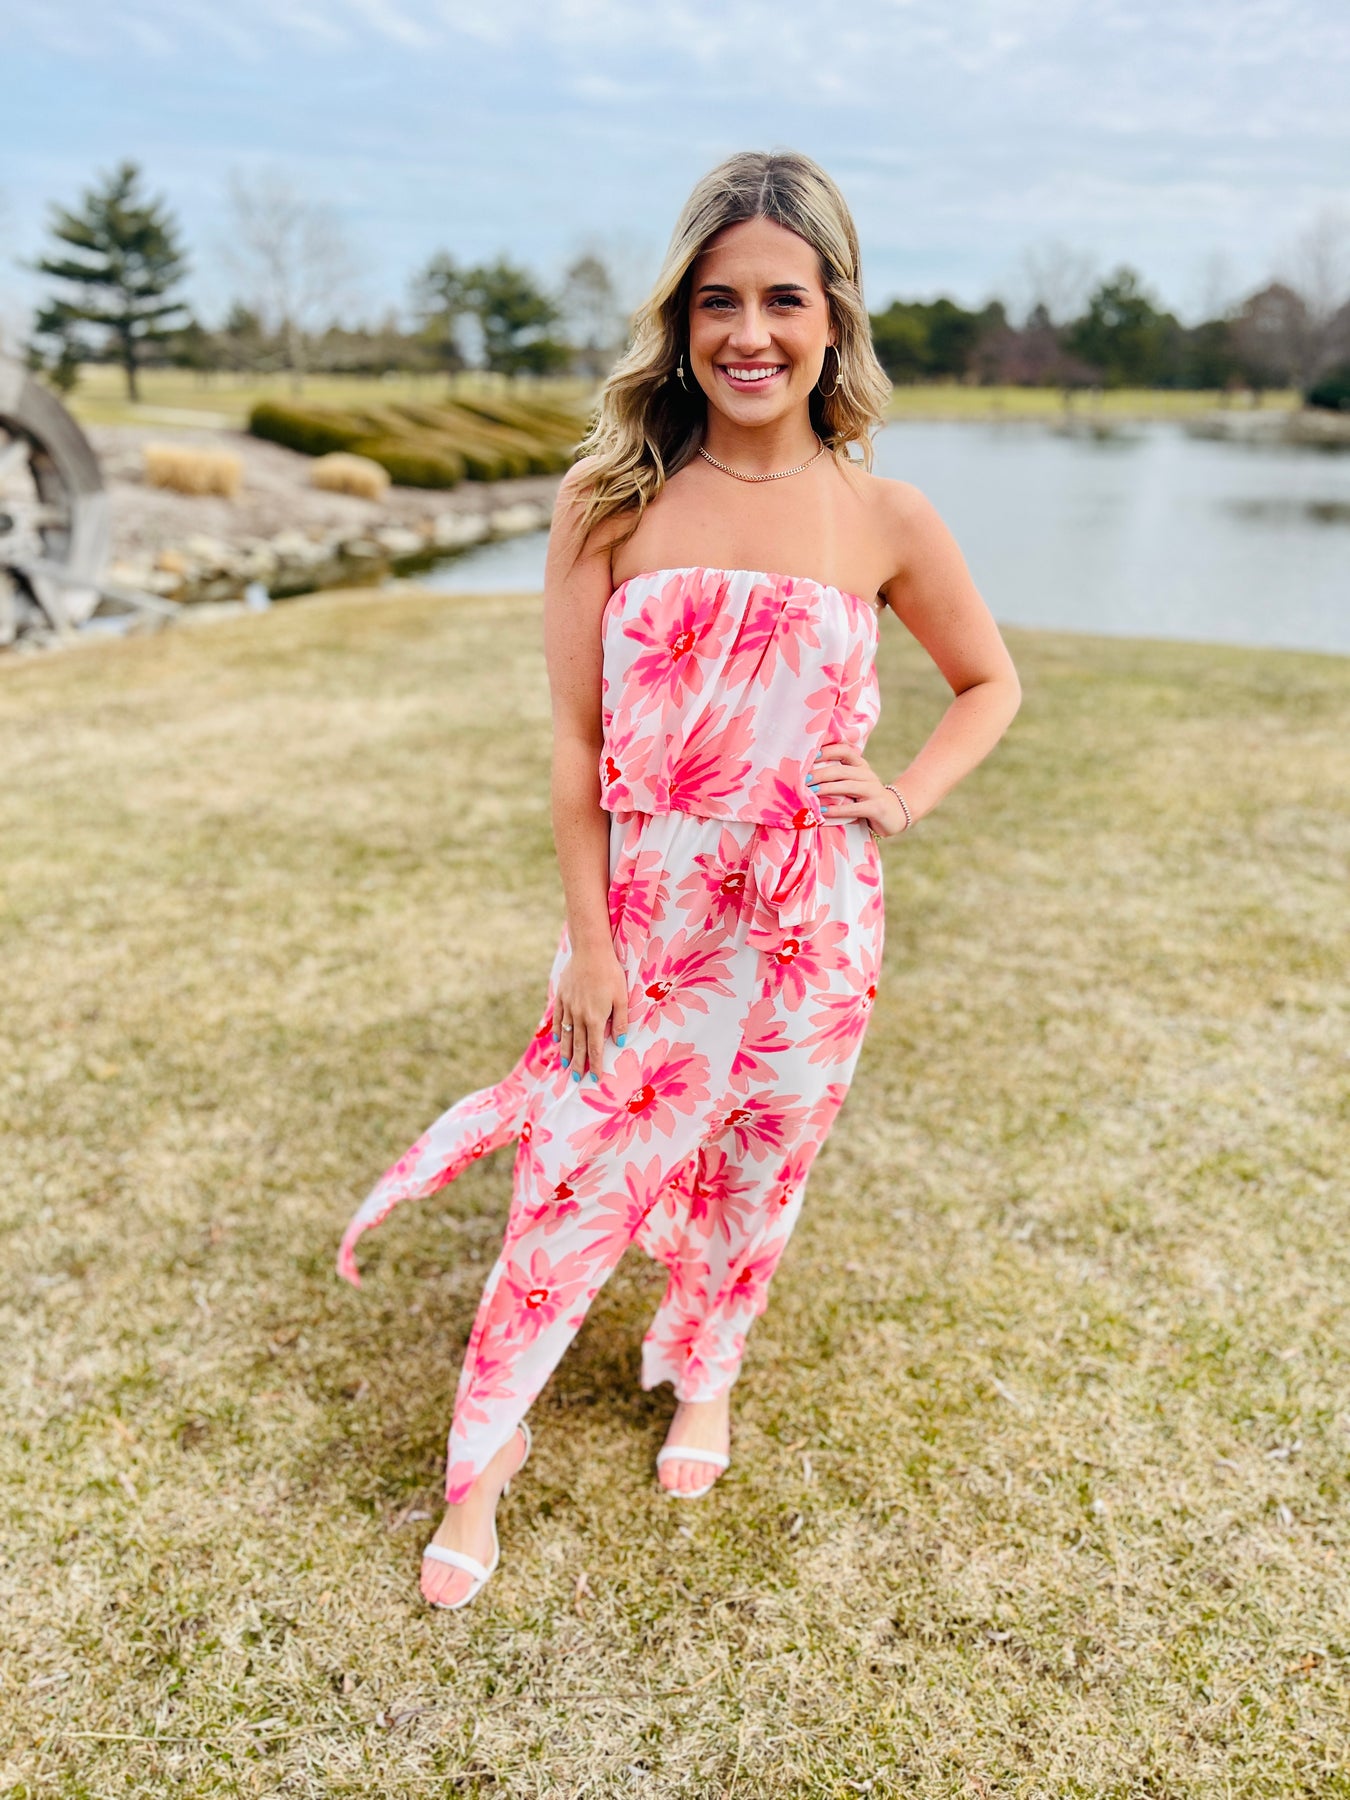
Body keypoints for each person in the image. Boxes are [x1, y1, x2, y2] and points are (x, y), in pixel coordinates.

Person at [337, 149, 1022, 1610]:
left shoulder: (886, 517)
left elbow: (990, 684)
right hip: (648, 922)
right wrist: (587, 944)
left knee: (755, 1168)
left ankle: (704, 1368)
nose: (748, 334)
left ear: (833, 316)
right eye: (718, 301)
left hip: (813, 927)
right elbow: (575, 743)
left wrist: (900, 797)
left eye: (783, 299)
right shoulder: (609, 498)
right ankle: (486, 1449)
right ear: (681, 318)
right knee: (567, 1180)